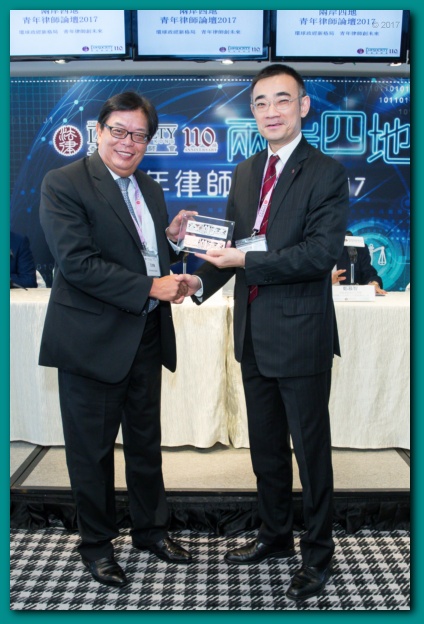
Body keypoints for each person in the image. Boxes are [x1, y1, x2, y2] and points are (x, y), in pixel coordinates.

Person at [181, 64, 349, 601]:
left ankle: (317, 555)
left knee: (311, 453)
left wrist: (246, 261)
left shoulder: (326, 173)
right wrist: (196, 282)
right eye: (260, 102)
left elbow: (318, 254)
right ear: (252, 111)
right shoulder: (246, 171)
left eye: (282, 99)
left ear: (303, 106)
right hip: (252, 333)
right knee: (266, 449)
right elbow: (230, 248)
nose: (271, 111)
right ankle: (275, 536)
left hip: (301, 336)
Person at [38, 92, 197, 588]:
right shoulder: (64, 182)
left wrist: (170, 241)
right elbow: (77, 263)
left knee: (145, 443)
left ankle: (151, 531)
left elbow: (141, 253)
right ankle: (97, 545)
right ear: (99, 131)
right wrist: (151, 287)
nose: (129, 142)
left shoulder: (149, 188)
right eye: (119, 131)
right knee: (92, 451)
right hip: (92, 339)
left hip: (145, 333)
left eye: (140, 135)